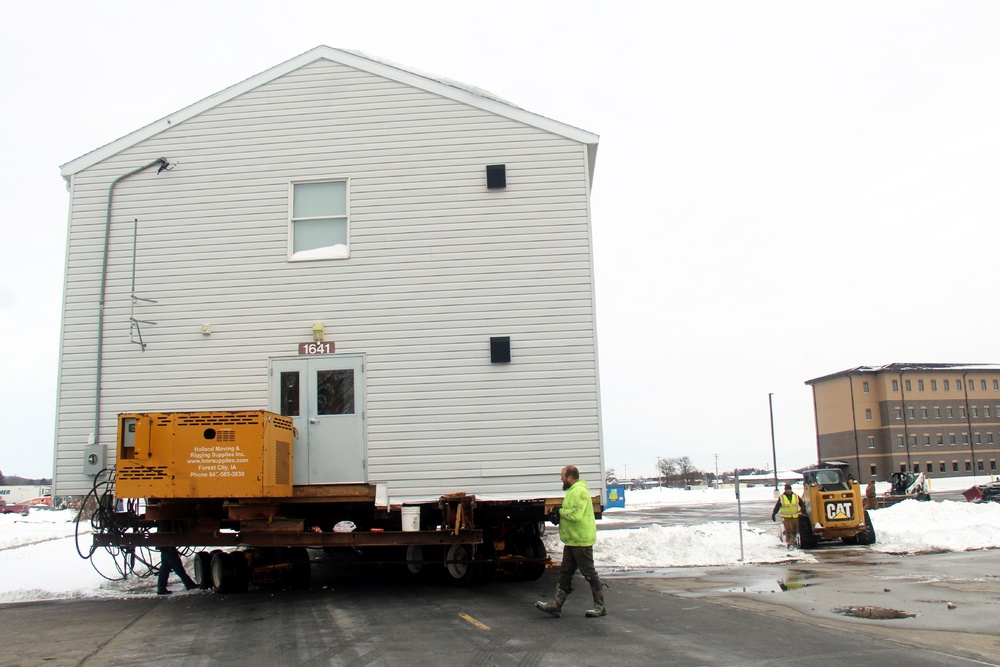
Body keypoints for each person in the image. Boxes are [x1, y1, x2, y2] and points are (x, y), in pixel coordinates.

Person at [535, 465, 606, 618]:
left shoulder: (579, 492)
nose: (561, 478)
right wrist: (560, 514)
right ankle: (556, 605)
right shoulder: (572, 492)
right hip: (573, 540)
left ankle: (600, 606)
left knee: (588, 573)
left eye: (562, 476)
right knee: (565, 573)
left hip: (581, 541)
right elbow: (571, 513)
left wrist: (560, 511)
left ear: (570, 477)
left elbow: (576, 515)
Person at [771, 483, 802, 549]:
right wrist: (774, 514)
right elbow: (777, 506)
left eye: (789, 489)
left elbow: (801, 503)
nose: (788, 491)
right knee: (788, 530)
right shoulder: (782, 497)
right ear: (785, 490)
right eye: (787, 489)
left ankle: (793, 541)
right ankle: (790, 544)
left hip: (794, 516)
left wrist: (804, 510)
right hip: (786, 517)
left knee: (794, 530)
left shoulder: (796, 496)